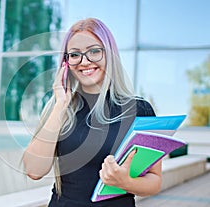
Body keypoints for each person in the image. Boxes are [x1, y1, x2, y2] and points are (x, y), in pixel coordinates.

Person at [22, 18, 162, 207]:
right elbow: (34, 170)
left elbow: (155, 181)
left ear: (110, 55)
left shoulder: (139, 110)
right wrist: (61, 104)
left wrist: (125, 182)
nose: (84, 61)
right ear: (66, 63)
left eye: (94, 51)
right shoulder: (59, 106)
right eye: (74, 54)